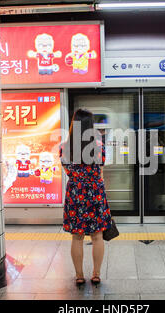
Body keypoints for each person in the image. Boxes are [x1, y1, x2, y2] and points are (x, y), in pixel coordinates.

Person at [60, 108, 111, 286]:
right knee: (97, 236)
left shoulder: (64, 147)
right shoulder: (99, 146)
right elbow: (101, 171)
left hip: (75, 193)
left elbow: (68, 172)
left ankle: (79, 275)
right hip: (95, 192)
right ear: (91, 125)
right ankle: (96, 274)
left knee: (77, 237)